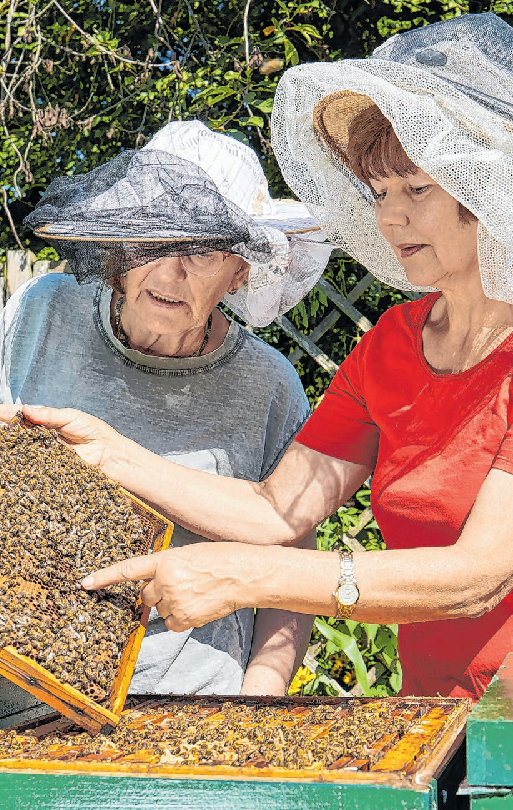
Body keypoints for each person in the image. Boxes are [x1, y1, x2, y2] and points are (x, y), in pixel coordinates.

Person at [5, 12, 513, 701]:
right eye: (378, 193)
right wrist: (107, 451)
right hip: (434, 712)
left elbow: (475, 577)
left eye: (415, 188)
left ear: (487, 188)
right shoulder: (391, 342)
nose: (389, 218)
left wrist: (247, 577)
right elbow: (277, 512)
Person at [0, 120, 334, 702]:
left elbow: (293, 571)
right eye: (152, 241)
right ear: (119, 247)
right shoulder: (40, 310)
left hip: (191, 703)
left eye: (200, 251)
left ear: (243, 269)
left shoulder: (268, 386)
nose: (167, 272)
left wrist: (258, 696)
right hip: (17, 687)